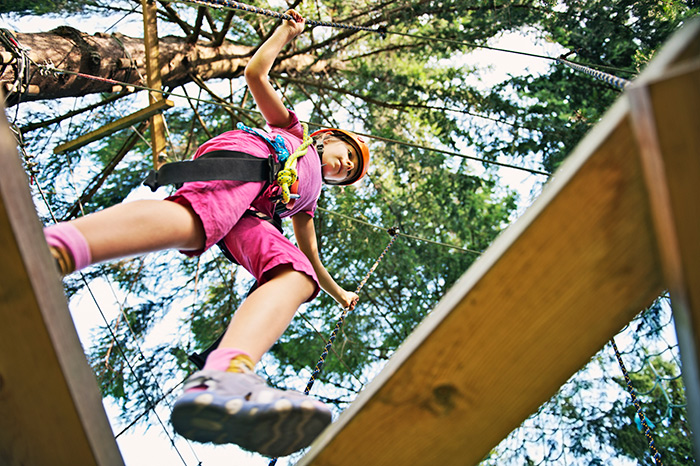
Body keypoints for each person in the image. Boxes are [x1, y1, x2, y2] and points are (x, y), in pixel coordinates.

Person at [43, 10, 370, 458]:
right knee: (200, 219)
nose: (344, 165)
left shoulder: (306, 202)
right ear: (328, 136)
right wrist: (285, 33)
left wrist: (336, 292)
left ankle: (225, 373)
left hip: (251, 211)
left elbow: (312, 256)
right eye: (346, 154)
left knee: (295, 274)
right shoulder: (294, 132)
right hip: (248, 160)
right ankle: (54, 250)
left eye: (348, 172)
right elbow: (257, 73)